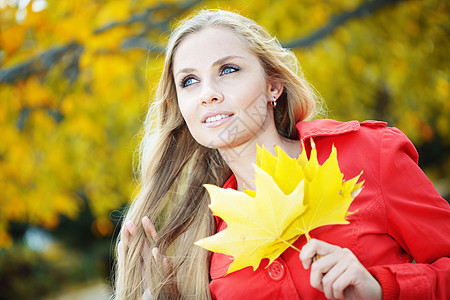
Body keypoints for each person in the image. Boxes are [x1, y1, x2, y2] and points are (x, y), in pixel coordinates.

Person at [114, 9, 450, 300]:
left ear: (273, 85)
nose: (208, 94)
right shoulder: (200, 236)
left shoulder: (368, 153)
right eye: (188, 81)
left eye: (228, 70)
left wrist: (381, 288)